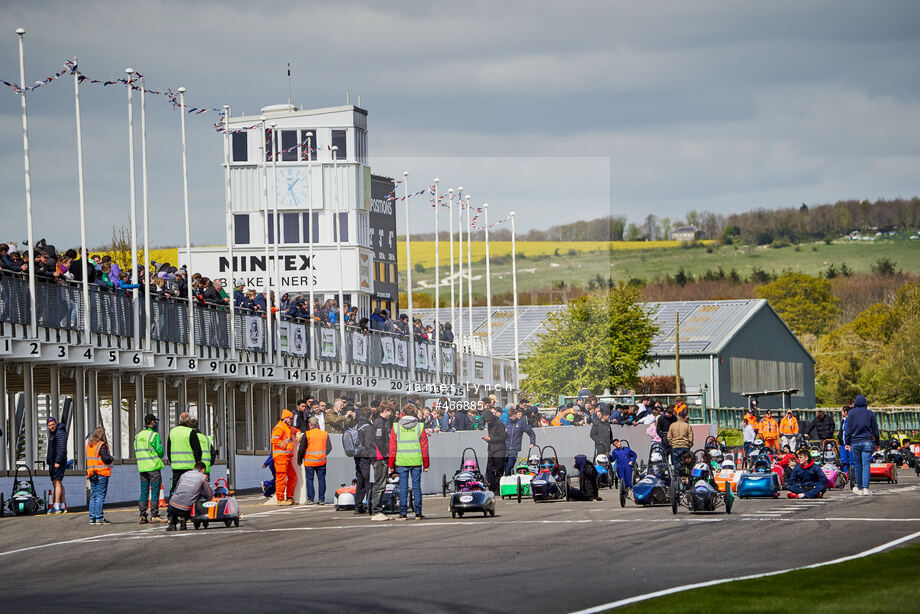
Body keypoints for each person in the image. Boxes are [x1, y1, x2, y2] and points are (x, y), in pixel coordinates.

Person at [388, 405, 430, 520]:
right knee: (416, 487)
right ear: (415, 413)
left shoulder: (396, 427)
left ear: (403, 413)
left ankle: (403, 513)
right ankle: (418, 513)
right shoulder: (420, 427)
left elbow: (392, 448)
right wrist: (426, 464)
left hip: (402, 461)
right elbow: (424, 447)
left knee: (403, 487)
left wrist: (391, 464)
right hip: (416, 460)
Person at [845, 394, 880, 496]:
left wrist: (847, 442)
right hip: (867, 442)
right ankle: (865, 488)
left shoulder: (851, 413)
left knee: (858, 466)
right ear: (865, 403)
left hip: (855, 442)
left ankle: (859, 487)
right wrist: (877, 443)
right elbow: (875, 430)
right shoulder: (870, 414)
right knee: (866, 465)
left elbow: (848, 430)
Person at [135, 413, 166, 524]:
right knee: (155, 491)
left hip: (142, 468)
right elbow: (160, 452)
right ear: (152, 422)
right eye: (155, 422)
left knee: (143, 491)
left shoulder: (138, 436)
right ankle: (154, 515)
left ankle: (142, 515)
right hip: (153, 467)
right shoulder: (154, 435)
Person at [165, 461, 213, 531]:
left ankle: (172, 524)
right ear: (203, 470)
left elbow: (176, 488)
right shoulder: (203, 477)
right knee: (198, 499)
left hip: (173, 506)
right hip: (186, 509)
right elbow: (208, 494)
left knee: (175, 502)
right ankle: (185, 519)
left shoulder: (184, 474)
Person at [298, 416, 332, 504]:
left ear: (310, 425)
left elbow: (302, 449)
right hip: (321, 461)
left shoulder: (307, 434)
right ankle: (321, 499)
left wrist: (299, 459)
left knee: (309, 479)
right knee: (321, 479)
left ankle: (310, 499)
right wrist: (323, 454)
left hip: (309, 462)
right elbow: (329, 447)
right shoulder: (324, 434)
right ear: (317, 424)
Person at [167, 412, 202, 495]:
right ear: (189, 421)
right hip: (189, 467)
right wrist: (198, 463)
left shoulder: (172, 432)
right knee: (190, 488)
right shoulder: (191, 432)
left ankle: (173, 502)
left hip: (176, 466)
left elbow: (169, 450)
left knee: (176, 487)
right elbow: (197, 450)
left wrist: (172, 461)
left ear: (179, 420)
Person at [86, 426, 114, 525]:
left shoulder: (90, 444)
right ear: (102, 434)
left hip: (92, 473)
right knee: (100, 496)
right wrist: (111, 458)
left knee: (93, 495)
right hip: (101, 472)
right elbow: (105, 458)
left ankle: (92, 517)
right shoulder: (101, 445)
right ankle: (99, 517)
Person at [352, 406, 376, 514]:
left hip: (357, 456)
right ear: (370, 415)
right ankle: (369, 503)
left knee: (360, 480)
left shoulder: (357, 425)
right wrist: (373, 459)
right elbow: (369, 445)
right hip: (365, 457)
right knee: (368, 481)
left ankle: (358, 505)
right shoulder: (369, 428)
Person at [271, 409, 298, 505]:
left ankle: (289, 497)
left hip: (286, 456)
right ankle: (280, 499)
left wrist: (298, 432)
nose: (291, 420)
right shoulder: (280, 427)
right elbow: (274, 439)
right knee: (281, 478)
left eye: (292, 418)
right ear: (285, 418)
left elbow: (293, 430)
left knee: (293, 477)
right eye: (290, 418)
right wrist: (285, 446)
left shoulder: (286, 426)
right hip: (281, 456)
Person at [372, 402, 395, 512]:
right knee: (379, 484)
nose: (391, 414)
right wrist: (385, 453)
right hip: (380, 458)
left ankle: (378, 507)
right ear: (385, 410)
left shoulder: (383, 422)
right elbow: (378, 440)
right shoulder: (379, 423)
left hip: (381, 457)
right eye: (390, 411)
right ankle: (376, 508)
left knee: (381, 483)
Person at [504, 408, 537, 476]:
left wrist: (532, 442)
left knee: (509, 466)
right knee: (505, 467)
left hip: (514, 448)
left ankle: (508, 478)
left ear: (516, 415)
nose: (511, 418)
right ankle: (508, 480)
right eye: (510, 416)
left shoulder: (521, 423)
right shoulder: (507, 423)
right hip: (505, 448)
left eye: (512, 416)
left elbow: (531, 433)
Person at [482, 405, 507, 493]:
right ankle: (492, 488)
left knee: (498, 469)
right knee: (489, 470)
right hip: (491, 449)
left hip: (499, 450)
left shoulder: (499, 424)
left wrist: (491, 439)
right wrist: (488, 440)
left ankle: (497, 488)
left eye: (489, 420)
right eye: (487, 421)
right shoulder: (490, 424)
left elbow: (503, 437)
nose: (488, 422)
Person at [45, 416, 68, 514]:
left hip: (58, 462)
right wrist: (49, 460)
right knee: (57, 483)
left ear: (56, 424)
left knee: (57, 482)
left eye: (53, 424)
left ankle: (56, 505)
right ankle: (63, 505)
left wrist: (58, 461)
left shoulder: (60, 433)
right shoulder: (53, 434)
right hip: (53, 461)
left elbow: (62, 448)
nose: (51, 427)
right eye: (50, 425)